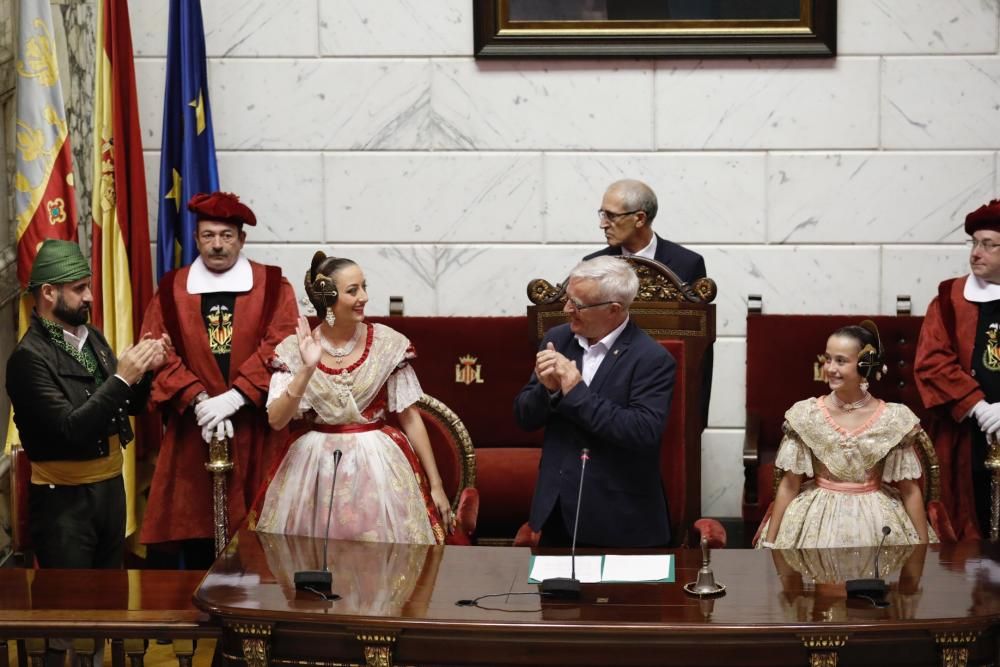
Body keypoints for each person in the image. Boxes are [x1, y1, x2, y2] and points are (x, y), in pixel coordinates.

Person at [139, 192, 298, 568]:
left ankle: (256, 621)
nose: (217, 245)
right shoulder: (171, 288)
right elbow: (156, 349)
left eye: (226, 236)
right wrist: (200, 401)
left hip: (255, 427)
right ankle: (202, 620)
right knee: (199, 533)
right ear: (196, 240)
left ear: (241, 240)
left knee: (262, 536)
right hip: (197, 430)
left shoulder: (273, 285)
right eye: (208, 236)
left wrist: (237, 396)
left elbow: (284, 341)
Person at [251, 251, 452, 544]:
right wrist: (307, 369)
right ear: (327, 299)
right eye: (352, 290)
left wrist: (436, 485)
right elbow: (276, 420)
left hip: (378, 468)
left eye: (364, 287)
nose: (364, 297)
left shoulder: (387, 343)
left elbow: (410, 418)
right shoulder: (293, 349)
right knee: (315, 557)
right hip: (315, 470)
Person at [7, 239, 168, 569]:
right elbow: (71, 430)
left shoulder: (91, 336)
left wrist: (144, 371)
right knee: (74, 606)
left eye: (89, 287)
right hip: (63, 505)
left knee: (112, 600)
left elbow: (128, 407)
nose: (90, 297)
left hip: (109, 491)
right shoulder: (28, 359)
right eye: (79, 289)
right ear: (50, 293)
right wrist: (121, 379)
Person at [513, 256, 676, 548]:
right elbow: (524, 418)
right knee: (554, 595)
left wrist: (575, 391)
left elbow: (641, 431)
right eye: (568, 300)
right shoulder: (557, 339)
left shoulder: (652, 359)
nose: (566, 310)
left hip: (619, 520)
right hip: (557, 513)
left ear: (614, 309)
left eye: (578, 304)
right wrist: (547, 392)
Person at [756, 321, 933, 549]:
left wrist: (923, 548)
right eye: (828, 359)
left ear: (865, 365)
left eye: (840, 361)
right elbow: (789, 485)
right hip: (816, 518)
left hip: (877, 519)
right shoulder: (807, 414)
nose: (830, 368)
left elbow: (909, 490)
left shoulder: (893, 419)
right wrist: (770, 544)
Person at [915, 199, 1000, 540]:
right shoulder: (951, 298)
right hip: (965, 433)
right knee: (968, 523)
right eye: (973, 243)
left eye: (987, 244)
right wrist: (978, 408)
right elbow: (931, 361)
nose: (976, 253)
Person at [584, 179, 706, 284]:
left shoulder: (688, 264)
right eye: (603, 214)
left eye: (611, 216)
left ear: (640, 219)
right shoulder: (592, 265)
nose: (602, 224)